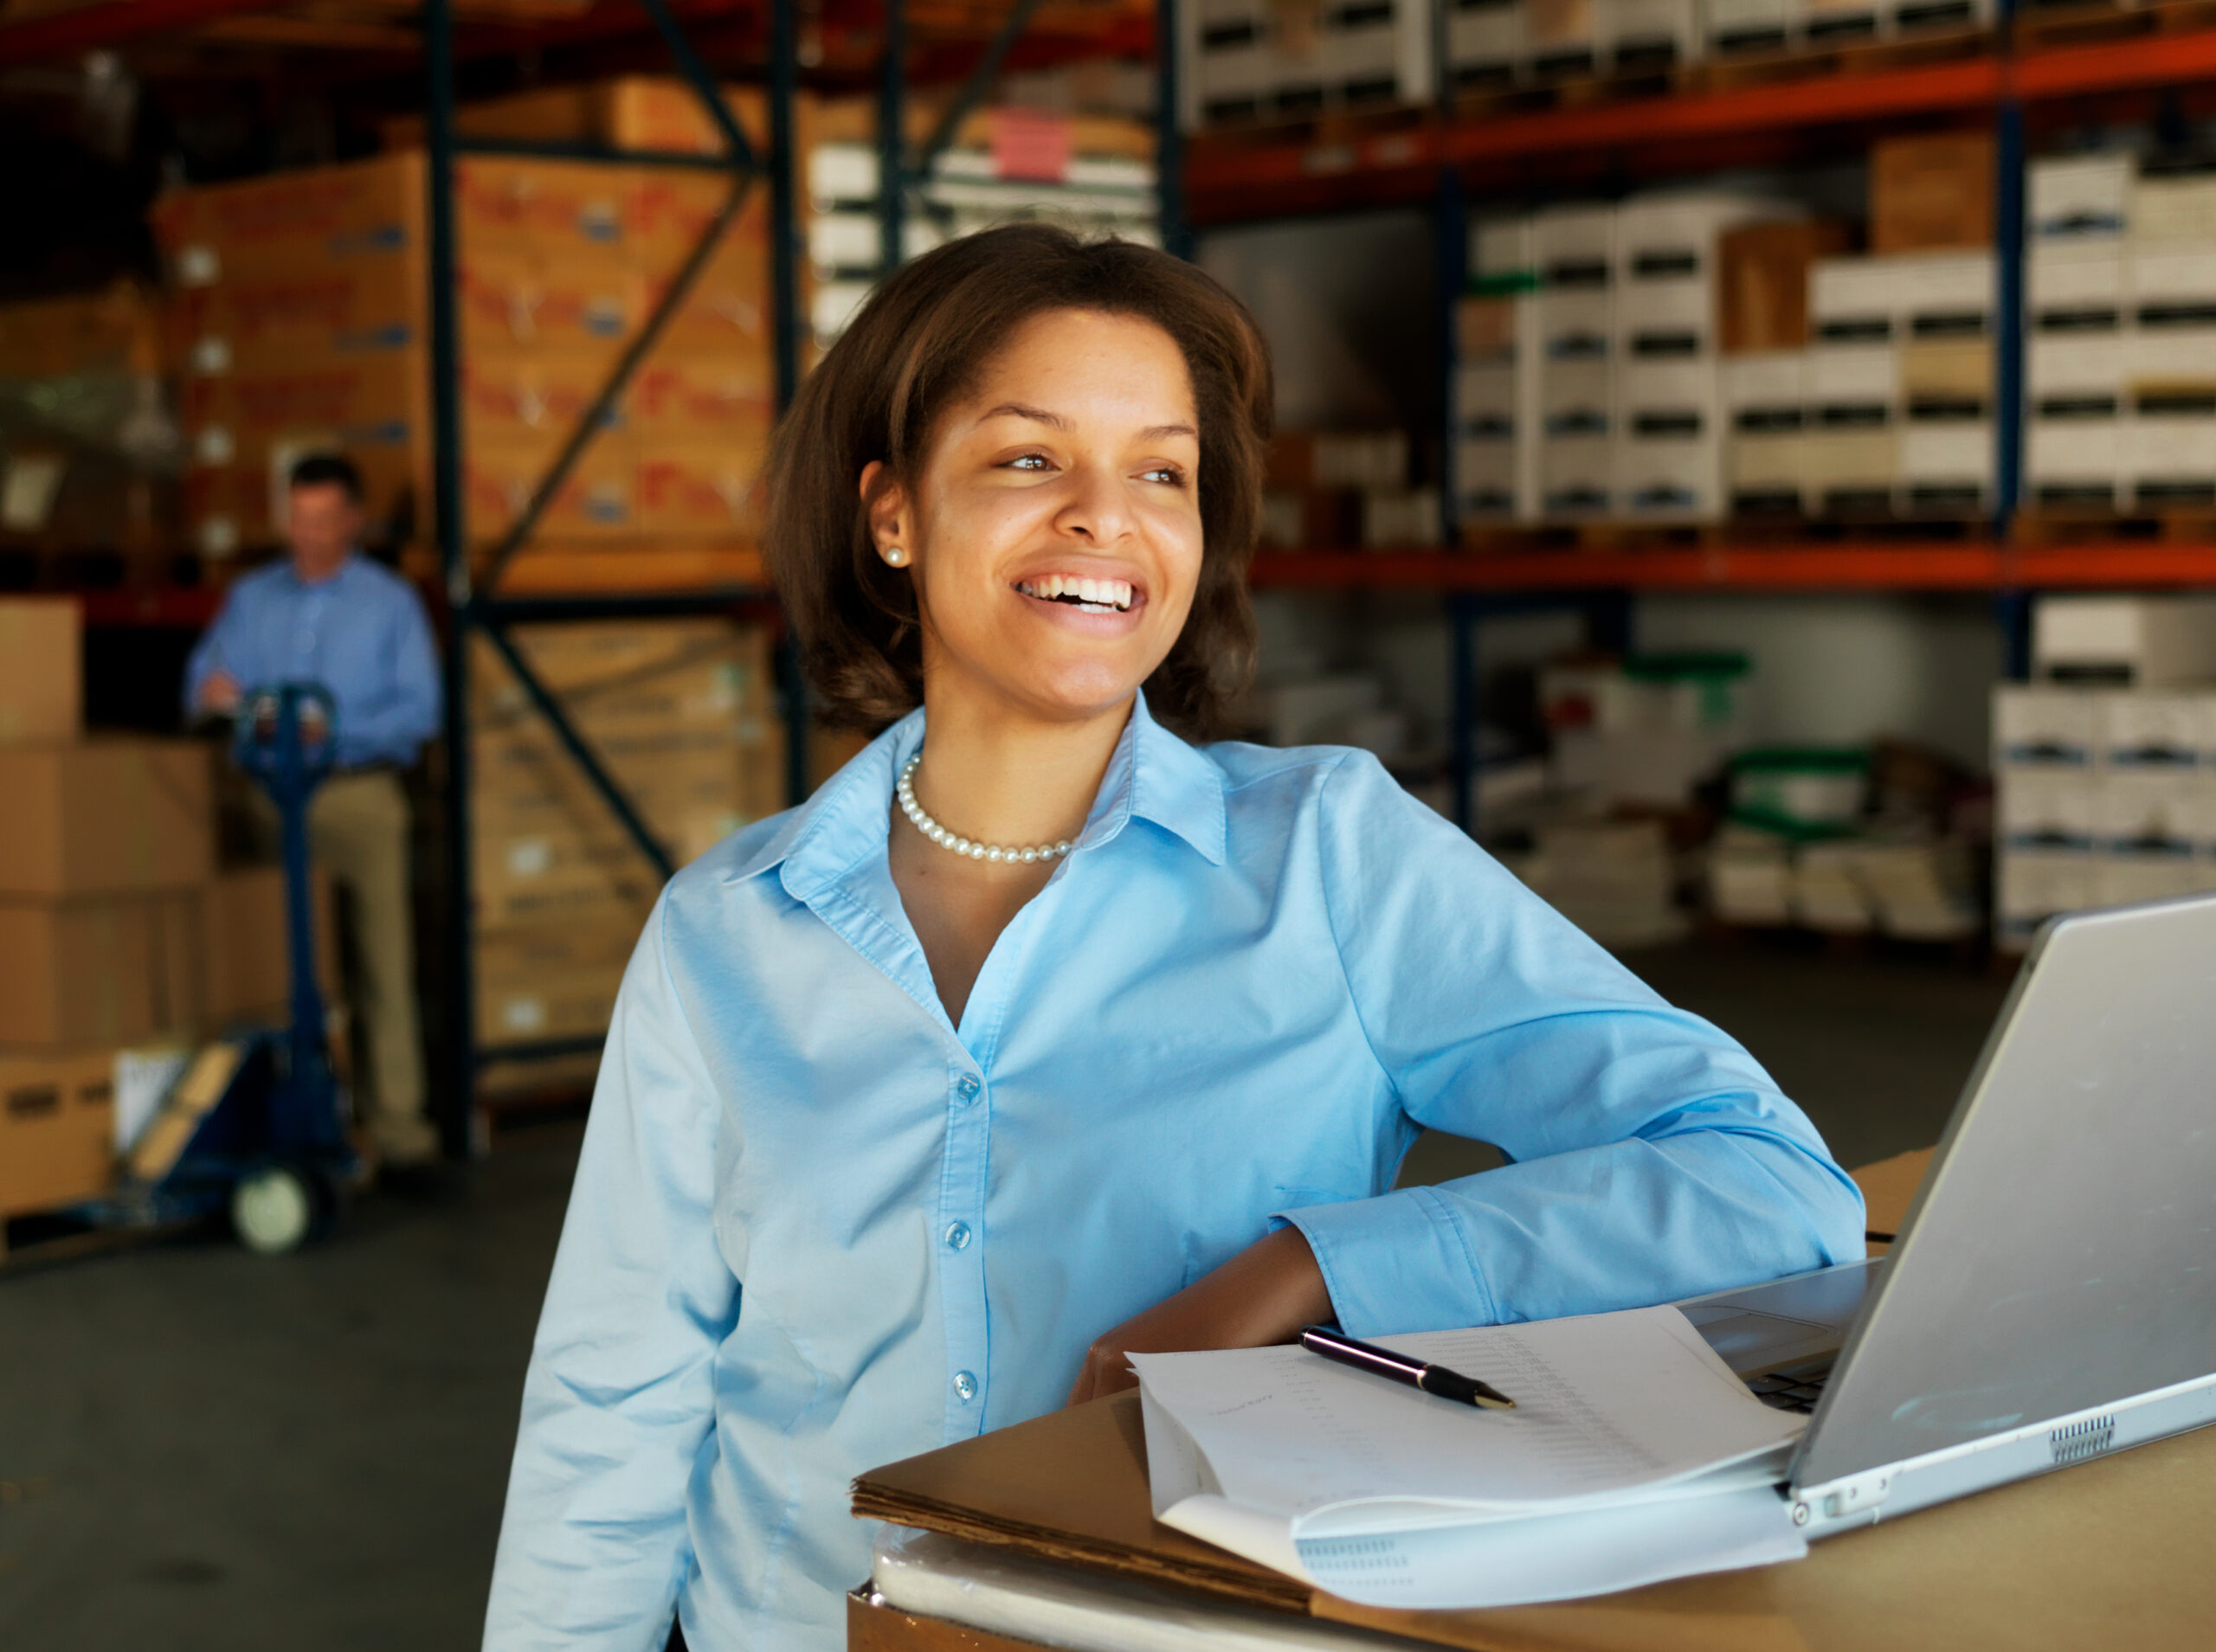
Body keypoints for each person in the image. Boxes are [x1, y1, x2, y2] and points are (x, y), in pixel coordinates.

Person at [483, 225, 1864, 1650]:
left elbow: (1765, 1184)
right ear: (892, 512)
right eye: (1029, 457)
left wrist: (1310, 1267)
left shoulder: (1328, 854)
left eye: (1162, 470)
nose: (1104, 516)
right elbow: (619, 1397)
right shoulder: (725, 926)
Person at [184, 451, 444, 1173]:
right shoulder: (251, 598)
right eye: (299, 519)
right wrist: (217, 695)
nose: (310, 535)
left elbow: (420, 710)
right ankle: (295, 1117)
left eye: (326, 520)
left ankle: (398, 1128)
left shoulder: (389, 603)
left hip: (357, 792)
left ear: (353, 521)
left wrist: (326, 732)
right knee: (282, 963)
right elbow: (204, 680)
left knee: (380, 962)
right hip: (273, 799)